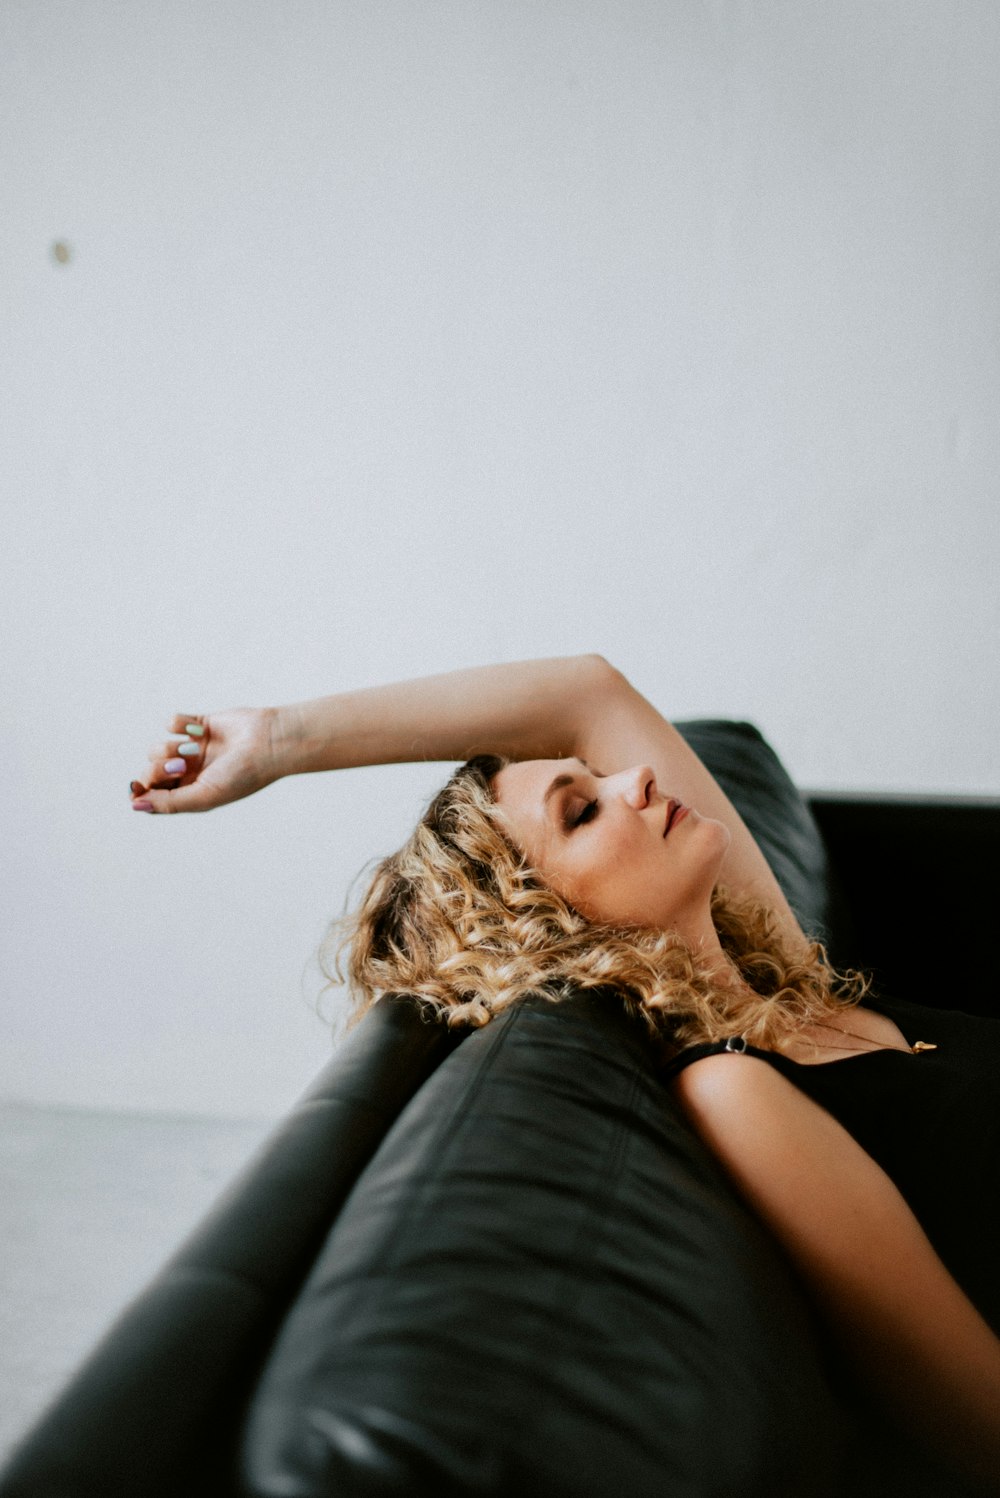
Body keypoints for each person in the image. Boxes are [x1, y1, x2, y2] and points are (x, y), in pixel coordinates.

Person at [130, 652, 1000, 1494]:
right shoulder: (736, 1088)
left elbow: (588, 690)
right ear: (548, 924)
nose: (636, 782)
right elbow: (975, 1418)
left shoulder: (777, 976)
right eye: (582, 812)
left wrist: (278, 738)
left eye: (598, 776)